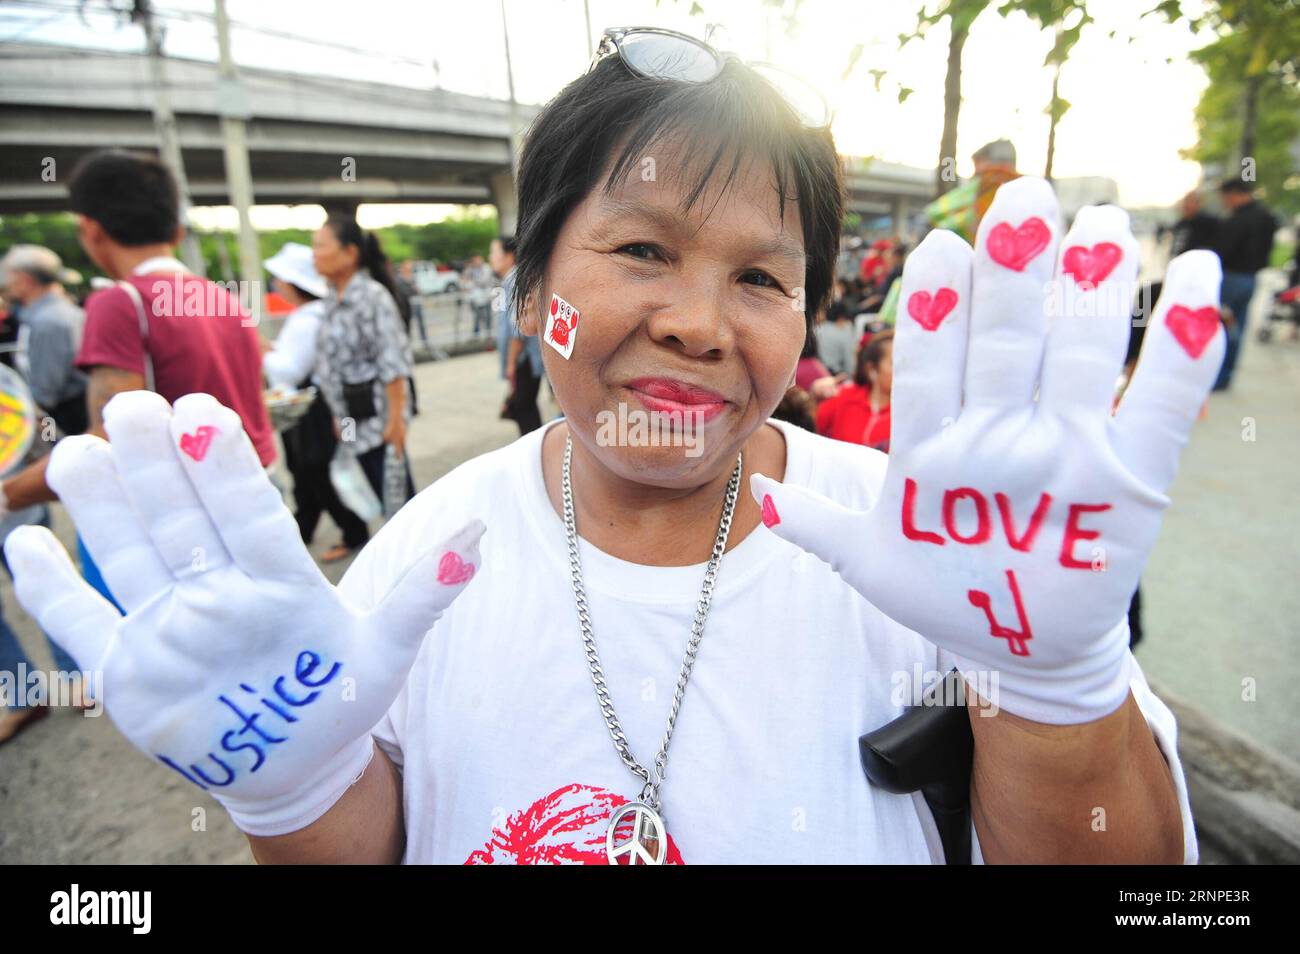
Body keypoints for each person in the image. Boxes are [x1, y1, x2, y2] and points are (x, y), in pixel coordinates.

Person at [9, 29, 1213, 866]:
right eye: (641, 251)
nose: (698, 321)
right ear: (532, 291)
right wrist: (292, 790)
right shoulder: (425, 565)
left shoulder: (944, 556)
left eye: (759, 276)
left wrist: (1054, 688)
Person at [0, 149, 275, 613]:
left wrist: (9, 494)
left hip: (174, 535)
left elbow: (107, 440)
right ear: (176, 230)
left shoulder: (120, 302)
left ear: (90, 229)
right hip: (253, 506)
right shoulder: (223, 299)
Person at [262, 242, 369, 561]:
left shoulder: (311, 318)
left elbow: (290, 369)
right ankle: (303, 528)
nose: (276, 284)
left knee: (316, 471)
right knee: (302, 470)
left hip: (315, 408)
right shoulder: (311, 314)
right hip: (308, 406)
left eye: (280, 279)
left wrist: (258, 349)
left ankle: (353, 531)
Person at [311, 217, 415, 511]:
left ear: (350, 253)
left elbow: (392, 362)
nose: (314, 254)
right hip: (350, 421)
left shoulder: (372, 297)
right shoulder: (331, 298)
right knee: (374, 498)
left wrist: (396, 421)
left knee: (398, 505)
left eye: (321, 245)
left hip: (378, 421)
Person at [0, 246, 88, 437]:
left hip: (66, 425)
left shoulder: (50, 321)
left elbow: (44, 394)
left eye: (8, 279)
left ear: (24, 280)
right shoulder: (48, 315)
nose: (5, 286)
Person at [1213, 177, 1277, 390]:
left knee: (1222, 326)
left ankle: (1218, 375)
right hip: (1250, 278)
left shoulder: (1237, 220)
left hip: (1231, 278)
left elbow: (1223, 250)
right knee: (1236, 326)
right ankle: (1226, 375)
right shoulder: (1267, 217)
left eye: (1225, 197)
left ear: (1233, 194)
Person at [492, 236, 543, 434]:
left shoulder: (514, 281)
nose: (491, 258)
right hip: (523, 357)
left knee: (523, 406)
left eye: (494, 253)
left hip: (524, 358)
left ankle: (535, 450)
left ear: (509, 256)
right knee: (525, 404)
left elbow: (517, 328)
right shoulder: (508, 281)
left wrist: (511, 363)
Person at [815, 330, 892, 452]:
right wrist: (813, 396)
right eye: (894, 363)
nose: (903, 371)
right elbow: (811, 428)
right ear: (871, 368)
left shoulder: (912, 410)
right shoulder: (843, 397)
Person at [1168, 191, 1219, 259]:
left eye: (1190, 202)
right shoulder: (1181, 223)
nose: (1186, 205)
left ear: (1198, 203)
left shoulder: (1207, 223)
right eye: (1185, 202)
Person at [817, 300, 857, 376]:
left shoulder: (816, 330)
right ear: (841, 317)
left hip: (815, 372)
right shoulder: (844, 335)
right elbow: (850, 364)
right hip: (835, 375)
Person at [464, 253, 495, 337]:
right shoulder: (470, 269)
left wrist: (473, 281)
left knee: (488, 316)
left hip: (487, 296)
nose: (478, 262)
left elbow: (484, 281)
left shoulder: (486, 268)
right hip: (475, 298)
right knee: (477, 317)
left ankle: (489, 334)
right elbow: (465, 282)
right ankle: (476, 334)